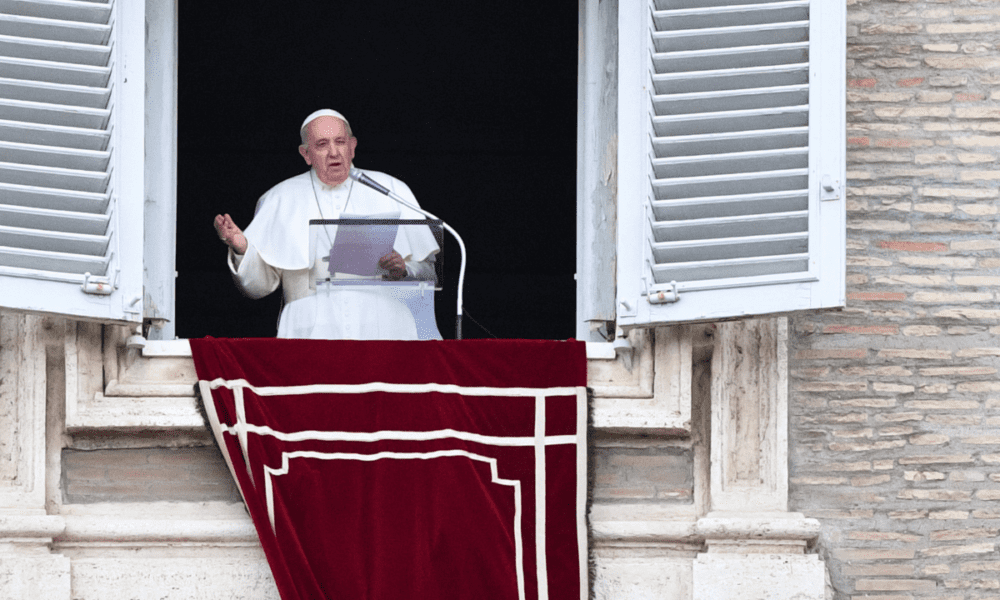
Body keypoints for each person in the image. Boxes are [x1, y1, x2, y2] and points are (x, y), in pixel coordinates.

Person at [213, 109, 440, 339]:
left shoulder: (391, 189)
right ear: (306, 154)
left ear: (352, 146)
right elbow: (258, 287)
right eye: (322, 144)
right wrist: (243, 249)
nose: (333, 152)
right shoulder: (279, 198)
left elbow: (429, 274)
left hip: (384, 327)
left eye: (340, 142)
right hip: (310, 330)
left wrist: (404, 270)